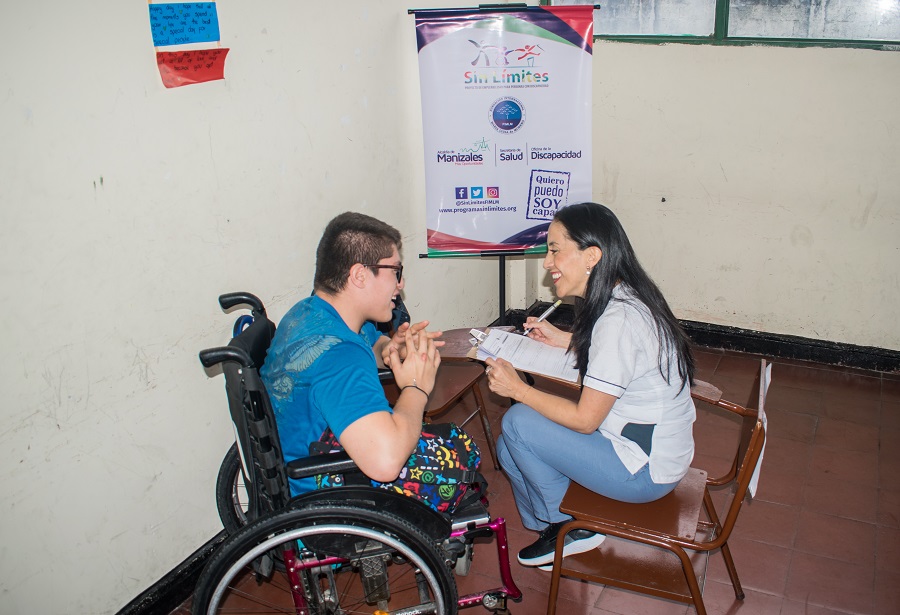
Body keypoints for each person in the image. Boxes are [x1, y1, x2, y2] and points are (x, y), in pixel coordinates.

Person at [484, 202, 696, 567]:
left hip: (644, 470)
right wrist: (565, 340)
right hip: (644, 447)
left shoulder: (619, 320)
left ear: (591, 255)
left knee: (519, 421)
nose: (548, 263)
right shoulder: (627, 296)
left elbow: (585, 421)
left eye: (554, 249)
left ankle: (570, 528)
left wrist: (519, 389)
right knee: (508, 449)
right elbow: (627, 360)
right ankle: (552, 532)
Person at [261, 211, 442, 496]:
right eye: (396, 271)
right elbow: (386, 463)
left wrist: (390, 348)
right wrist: (416, 387)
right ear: (359, 275)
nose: (400, 283)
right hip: (329, 493)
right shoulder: (340, 357)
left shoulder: (310, 313)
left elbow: (372, 341)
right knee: (459, 461)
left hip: (305, 459)